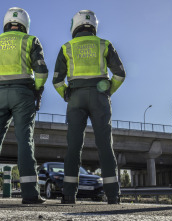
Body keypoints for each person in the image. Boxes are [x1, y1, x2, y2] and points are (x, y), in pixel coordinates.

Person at [52, 10, 126, 204]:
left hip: (76, 97)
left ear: (74, 26)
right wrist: (108, 91)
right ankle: (113, 195)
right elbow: (120, 74)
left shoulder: (67, 47)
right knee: (105, 146)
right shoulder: (104, 44)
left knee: (74, 146)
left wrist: (66, 95)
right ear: (94, 26)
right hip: (99, 97)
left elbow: (57, 80)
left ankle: (68, 194)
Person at [0, 7, 48, 204]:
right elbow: (41, 72)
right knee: (25, 140)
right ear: (25, 24)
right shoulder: (30, 40)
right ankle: (30, 194)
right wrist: (37, 89)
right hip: (23, 94)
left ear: (6, 23)